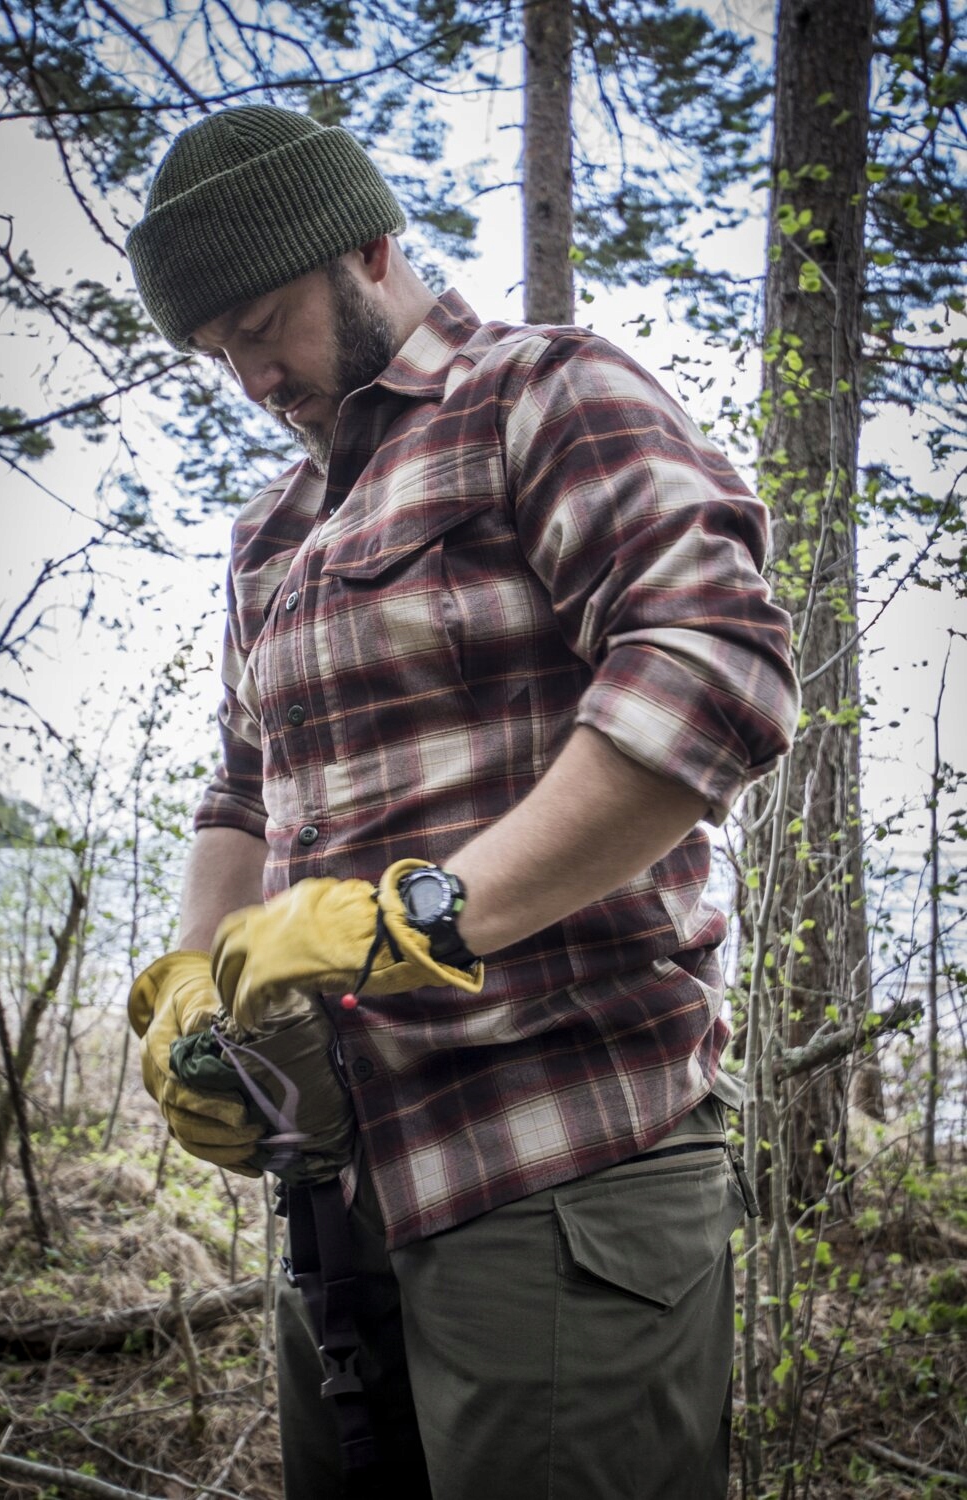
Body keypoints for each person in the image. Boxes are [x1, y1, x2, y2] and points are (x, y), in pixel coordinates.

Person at [125, 105, 799, 1500]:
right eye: (215, 353)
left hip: (556, 1159)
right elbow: (239, 789)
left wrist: (418, 918)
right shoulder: (270, 534)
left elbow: (714, 667)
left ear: (370, 250)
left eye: (266, 324)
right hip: (336, 1190)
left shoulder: (545, 393)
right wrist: (197, 977)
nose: (251, 376)